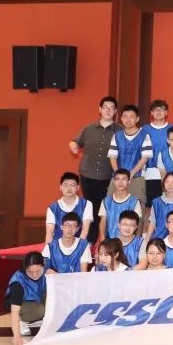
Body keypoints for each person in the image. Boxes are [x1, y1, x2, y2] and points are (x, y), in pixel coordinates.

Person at [69, 96, 121, 240]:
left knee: (105, 211)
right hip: (87, 175)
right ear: (100, 109)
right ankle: (89, 241)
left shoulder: (120, 131)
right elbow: (75, 142)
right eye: (105, 107)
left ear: (115, 111)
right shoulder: (89, 128)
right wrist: (73, 146)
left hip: (108, 177)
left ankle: (106, 242)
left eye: (111, 108)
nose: (108, 110)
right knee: (90, 209)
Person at [107, 104, 153, 207]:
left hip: (136, 177)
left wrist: (131, 174)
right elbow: (112, 157)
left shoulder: (144, 135)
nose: (128, 120)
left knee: (136, 209)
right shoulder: (117, 135)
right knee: (111, 206)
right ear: (121, 119)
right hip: (117, 177)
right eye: (125, 116)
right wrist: (118, 175)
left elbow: (145, 158)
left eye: (131, 116)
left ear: (137, 119)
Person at [6, 251, 47, 345]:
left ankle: (44, 319)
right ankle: (22, 321)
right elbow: (15, 311)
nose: (35, 275)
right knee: (40, 310)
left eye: (38, 271)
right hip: (21, 303)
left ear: (43, 266)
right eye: (30, 272)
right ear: (25, 269)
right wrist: (17, 336)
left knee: (52, 300)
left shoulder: (46, 271)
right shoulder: (18, 282)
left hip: (36, 297)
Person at [44, 172, 92, 243]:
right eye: (65, 185)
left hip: (78, 242)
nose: (69, 188)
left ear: (78, 188)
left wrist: (78, 247)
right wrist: (49, 248)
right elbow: (49, 232)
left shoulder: (86, 204)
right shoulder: (52, 208)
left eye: (72, 185)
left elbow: (85, 228)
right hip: (58, 244)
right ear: (60, 187)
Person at [97, 169, 141, 242]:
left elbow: (137, 224)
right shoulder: (106, 201)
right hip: (109, 240)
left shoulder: (135, 201)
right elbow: (103, 221)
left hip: (127, 241)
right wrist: (102, 238)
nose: (120, 182)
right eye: (117, 179)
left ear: (129, 181)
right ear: (114, 181)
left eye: (124, 179)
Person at [143, 99, 172, 205]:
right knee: (148, 206)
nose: (159, 112)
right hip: (148, 173)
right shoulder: (143, 130)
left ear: (166, 112)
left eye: (162, 109)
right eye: (155, 109)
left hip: (168, 172)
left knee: (167, 204)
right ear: (151, 113)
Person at [146, 172, 173, 240]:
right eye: (167, 182)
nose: (170, 185)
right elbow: (152, 223)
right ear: (163, 183)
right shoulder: (156, 202)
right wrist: (146, 240)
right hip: (159, 239)